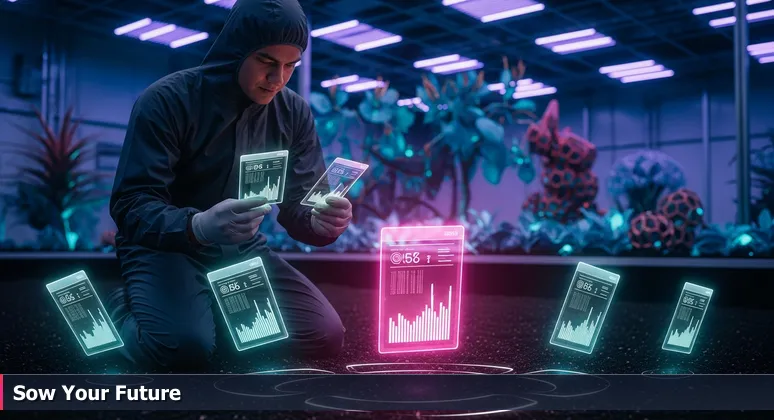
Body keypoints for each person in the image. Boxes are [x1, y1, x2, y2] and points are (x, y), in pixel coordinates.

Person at [107, 0, 352, 372]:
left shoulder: (293, 113)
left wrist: (319, 222)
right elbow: (131, 203)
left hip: (241, 249)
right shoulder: (167, 101)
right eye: (267, 62)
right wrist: (198, 226)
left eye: (291, 65)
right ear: (237, 50)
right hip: (165, 248)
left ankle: (200, 311)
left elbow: (299, 205)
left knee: (324, 335)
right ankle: (123, 306)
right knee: (182, 348)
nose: (278, 79)